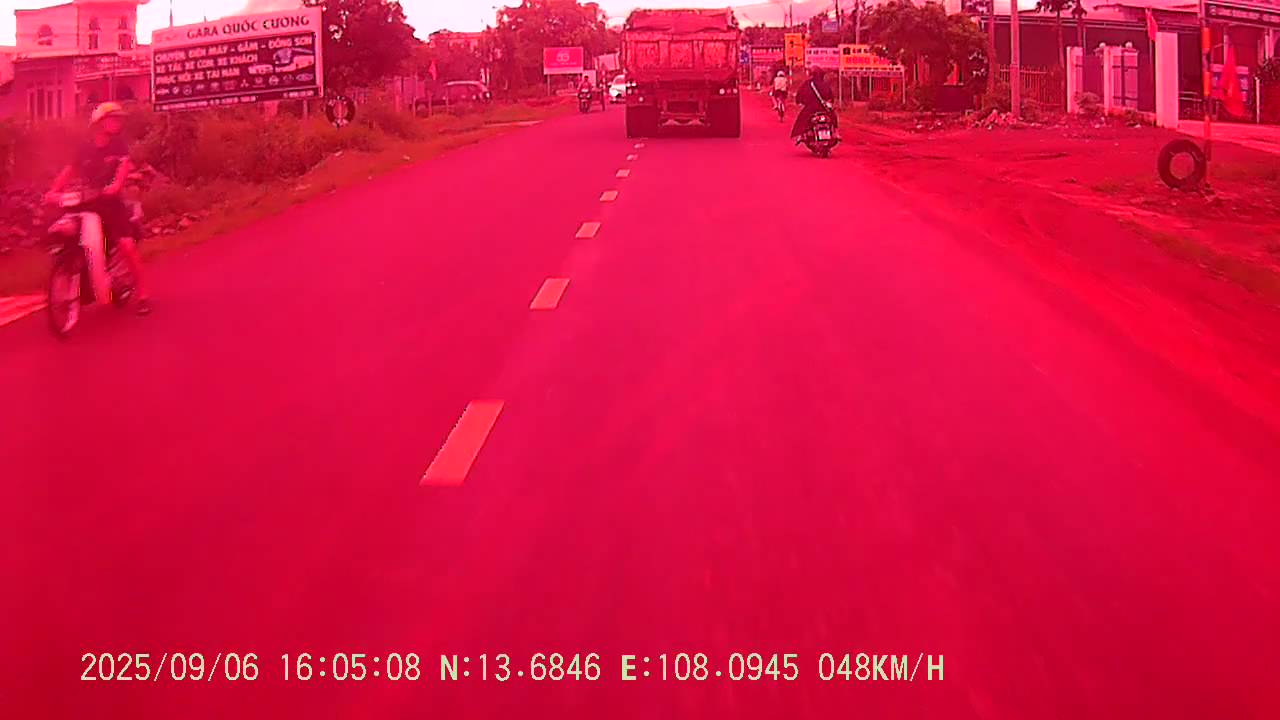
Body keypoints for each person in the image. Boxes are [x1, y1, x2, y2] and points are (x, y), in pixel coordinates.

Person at [46, 101, 151, 314]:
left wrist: (115, 186)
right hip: (87, 201)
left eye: (119, 119)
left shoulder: (118, 146)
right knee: (64, 232)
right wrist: (53, 191)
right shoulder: (84, 148)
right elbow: (69, 171)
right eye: (113, 119)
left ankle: (143, 294)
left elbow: (123, 168)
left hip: (110, 203)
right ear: (99, 123)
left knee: (126, 245)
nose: (118, 122)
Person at [791, 67, 838, 141]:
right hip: (824, 108)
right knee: (833, 116)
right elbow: (831, 97)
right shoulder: (825, 84)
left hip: (811, 108)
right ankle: (836, 133)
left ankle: (801, 135)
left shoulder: (807, 84)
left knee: (802, 119)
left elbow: (800, 95)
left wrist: (799, 101)